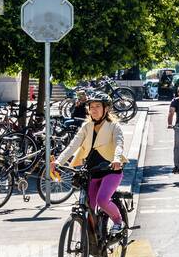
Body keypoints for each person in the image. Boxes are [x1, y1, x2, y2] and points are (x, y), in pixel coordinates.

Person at [50, 93, 128, 236]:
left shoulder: (114, 126)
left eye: (98, 106)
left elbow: (119, 144)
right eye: (91, 106)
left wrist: (116, 159)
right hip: (92, 171)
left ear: (106, 109)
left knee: (102, 200)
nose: (94, 109)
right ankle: (93, 239)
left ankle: (118, 221)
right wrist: (58, 161)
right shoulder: (87, 126)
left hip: (111, 171)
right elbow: (73, 145)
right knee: (90, 207)